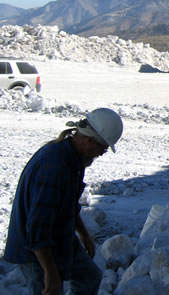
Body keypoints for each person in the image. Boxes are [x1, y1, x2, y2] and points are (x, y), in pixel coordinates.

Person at [4, 108, 124, 295]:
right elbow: (36, 230)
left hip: (59, 237)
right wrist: (50, 273)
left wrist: (84, 234)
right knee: (51, 289)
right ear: (89, 140)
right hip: (36, 250)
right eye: (103, 147)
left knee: (89, 278)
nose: (102, 153)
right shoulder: (54, 168)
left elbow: (68, 205)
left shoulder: (75, 159)